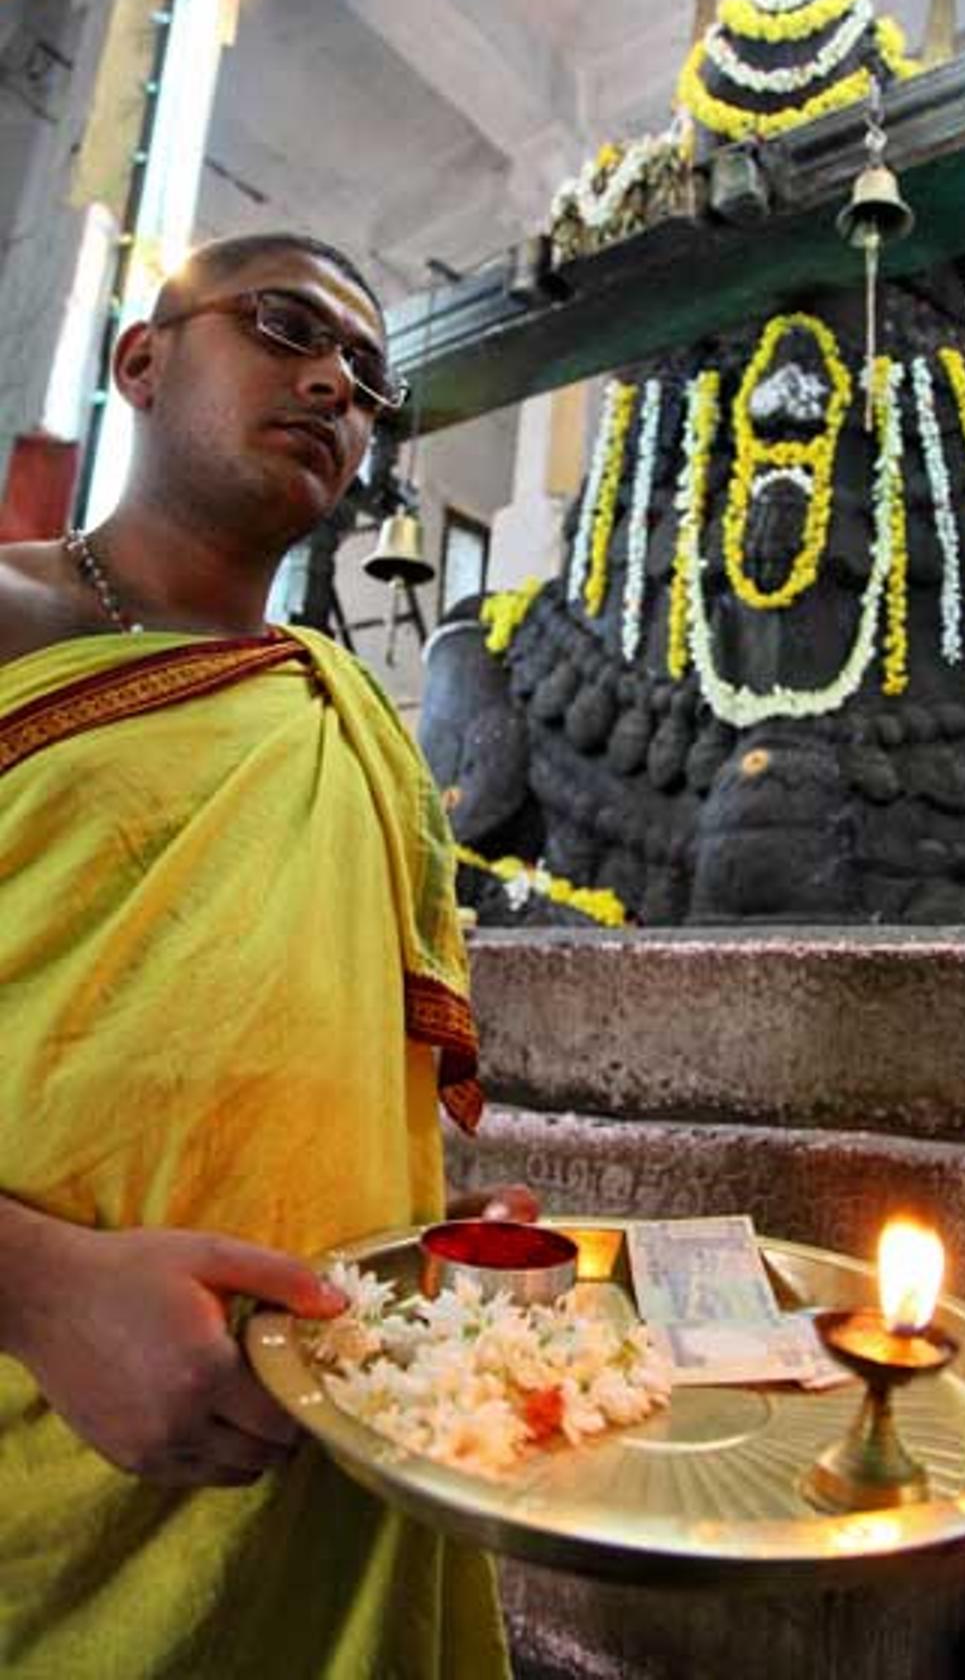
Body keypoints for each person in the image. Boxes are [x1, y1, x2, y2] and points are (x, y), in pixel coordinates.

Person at [0, 233, 527, 1678]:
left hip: (331, 1457)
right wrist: (36, 1290)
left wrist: (448, 1257)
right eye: (287, 328)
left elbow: (326, 1077)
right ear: (142, 359)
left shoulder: (354, 726)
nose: (332, 386)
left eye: (368, 379)